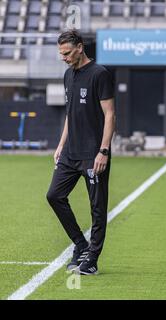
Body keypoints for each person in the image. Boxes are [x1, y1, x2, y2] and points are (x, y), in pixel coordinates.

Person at [46, 30, 115, 275]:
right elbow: (70, 114)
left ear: (80, 47)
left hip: (93, 153)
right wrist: (61, 145)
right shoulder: (68, 75)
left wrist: (103, 151)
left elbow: (110, 114)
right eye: (61, 53)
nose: (63, 58)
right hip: (70, 153)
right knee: (54, 196)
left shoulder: (100, 74)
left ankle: (92, 259)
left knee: (97, 207)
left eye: (66, 53)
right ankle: (80, 244)